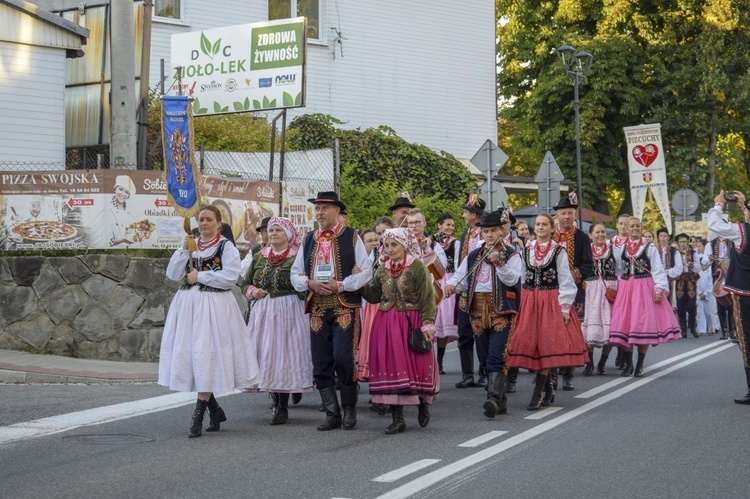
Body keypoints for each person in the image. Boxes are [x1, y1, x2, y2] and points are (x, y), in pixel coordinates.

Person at [159, 205, 260, 438]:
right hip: (187, 307)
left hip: (214, 307)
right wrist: (184, 251)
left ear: (218, 222)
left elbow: (230, 278)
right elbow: (173, 274)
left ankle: (198, 416)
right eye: (201, 219)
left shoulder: (226, 247)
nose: (203, 223)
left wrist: (200, 276)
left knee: (206, 356)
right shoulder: (190, 244)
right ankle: (215, 410)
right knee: (195, 357)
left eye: (208, 219)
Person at [290, 191, 372, 431]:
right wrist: (309, 284)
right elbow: (295, 273)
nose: (320, 213)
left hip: (344, 305)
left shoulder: (352, 236)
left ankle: (349, 408)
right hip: (317, 307)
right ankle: (332, 412)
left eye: (324, 208)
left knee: (343, 358)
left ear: (337, 211)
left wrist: (342, 285)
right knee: (321, 361)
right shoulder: (307, 239)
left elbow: (366, 272)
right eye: (317, 208)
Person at [445, 209, 523, 418]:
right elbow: (461, 276)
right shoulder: (474, 255)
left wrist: (499, 263)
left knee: (497, 355)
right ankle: (501, 401)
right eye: (485, 231)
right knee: (485, 356)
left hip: (501, 309)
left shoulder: (512, 254)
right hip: (477, 309)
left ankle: (493, 398)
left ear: (501, 231)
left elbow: (513, 280)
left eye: (493, 231)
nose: (489, 235)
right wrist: (452, 285)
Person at [506, 213, 589, 410]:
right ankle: (549, 387)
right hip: (529, 300)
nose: (541, 227)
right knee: (528, 343)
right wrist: (501, 265)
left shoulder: (558, 251)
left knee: (547, 344)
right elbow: (517, 276)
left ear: (552, 228)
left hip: (550, 300)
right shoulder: (527, 249)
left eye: (545, 224)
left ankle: (537, 394)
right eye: (538, 224)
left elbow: (566, 280)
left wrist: (565, 307)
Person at [361, 228, 438, 433]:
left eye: (394, 244)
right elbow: (375, 297)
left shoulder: (417, 267)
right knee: (391, 366)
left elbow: (426, 297)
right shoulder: (382, 269)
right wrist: (360, 284)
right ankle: (398, 418)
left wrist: (428, 323)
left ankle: (423, 405)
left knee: (417, 365)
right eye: (386, 245)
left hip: (410, 321)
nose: (390, 249)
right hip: (385, 323)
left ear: (404, 245)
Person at [241, 217, 312, 425]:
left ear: (288, 235)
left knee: (285, 354)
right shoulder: (259, 257)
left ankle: (282, 405)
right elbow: (245, 283)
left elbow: (305, 282)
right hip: (264, 311)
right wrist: (253, 291)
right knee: (268, 355)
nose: (272, 234)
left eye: (278, 231)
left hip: (289, 310)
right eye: (270, 231)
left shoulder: (298, 257)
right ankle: (276, 397)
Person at [610, 217, 681, 377]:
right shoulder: (621, 247)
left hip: (644, 287)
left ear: (641, 228)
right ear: (626, 229)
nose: (635, 228)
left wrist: (660, 288)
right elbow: (619, 269)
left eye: (637, 226)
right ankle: (629, 364)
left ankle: (640, 364)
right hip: (627, 287)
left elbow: (657, 269)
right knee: (627, 325)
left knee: (642, 325)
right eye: (631, 226)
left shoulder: (649, 247)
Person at [707, 190, 750, 404]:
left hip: (745, 294)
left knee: (747, 340)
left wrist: (719, 204)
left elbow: (714, 224)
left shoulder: (742, 231)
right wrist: (744, 207)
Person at [550, 194, 594, 391]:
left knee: (569, 332)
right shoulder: (550, 236)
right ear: (557, 216)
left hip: (574, 291)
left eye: (570, 213)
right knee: (549, 332)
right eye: (563, 213)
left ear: (575, 215)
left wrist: (570, 277)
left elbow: (588, 266)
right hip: (549, 291)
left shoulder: (582, 237)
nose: (566, 216)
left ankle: (568, 375)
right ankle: (549, 373)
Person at [454, 193, 487, 389]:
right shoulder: (465, 234)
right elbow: (461, 263)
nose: (464, 216)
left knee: (482, 331)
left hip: (482, 289)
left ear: (474, 214)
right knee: (464, 331)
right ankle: (467, 374)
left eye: (466, 212)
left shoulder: (487, 233)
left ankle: (484, 371)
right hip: (466, 289)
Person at [582, 223, 618, 375]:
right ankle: (589, 362)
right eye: (597, 232)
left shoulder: (613, 249)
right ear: (590, 235)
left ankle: (603, 361)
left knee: (608, 327)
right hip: (590, 291)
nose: (600, 235)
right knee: (589, 325)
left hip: (609, 290)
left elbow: (620, 269)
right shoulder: (585, 250)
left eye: (602, 232)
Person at [433, 214, 459, 374]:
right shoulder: (432, 242)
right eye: (447, 225)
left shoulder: (455, 244)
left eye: (452, 225)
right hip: (434, 280)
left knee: (443, 323)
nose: (450, 228)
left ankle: (439, 360)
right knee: (432, 319)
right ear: (439, 226)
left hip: (447, 280)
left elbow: (456, 265)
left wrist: (452, 284)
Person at [357, 229, 381, 383]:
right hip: (359, 304)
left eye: (376, 240)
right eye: (369, 241)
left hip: (372, 304)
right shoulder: (356, 259)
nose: (374, 243)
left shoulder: (380, 259)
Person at [706, 234, 736, 340]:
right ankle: (725, 331)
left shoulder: (732, 241)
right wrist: (710, 259)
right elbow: (706, 261)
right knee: (720, 305)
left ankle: (733, 330)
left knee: (732, 305)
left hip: (731, 276)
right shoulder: (712, 243)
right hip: (718, 276)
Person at [675, 233, 701, 338]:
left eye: (684, 242)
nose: (683, 244)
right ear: (678, 243)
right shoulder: (675, 253)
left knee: (691, 306)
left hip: (690, 281)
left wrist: (692, 266)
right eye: (681, 242)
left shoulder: (693, 253)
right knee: (680, 306)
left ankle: (693, 327)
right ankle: (683, 329)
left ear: (688, 242)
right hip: (680, 281)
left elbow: (698, 268)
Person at [695, 238, 717, 336]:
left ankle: (711, 328)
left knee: (709, 312)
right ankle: (701, 329)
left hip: (708, 295)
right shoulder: (699, 273)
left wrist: (705, 293)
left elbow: (710, 285)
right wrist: (699, 293)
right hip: (700, 295)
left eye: (704, 264)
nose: (703, 266)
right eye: (702, 264)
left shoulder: (709, 273)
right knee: (700, 313)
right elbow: (697, 284)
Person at [109, 175, 136, 246]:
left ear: (129, 196)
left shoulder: (131, 212)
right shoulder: (106, 208)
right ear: (115, 189)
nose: (123, 194)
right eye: (120, 189)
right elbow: (105, 240)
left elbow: (133, 234)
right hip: (111, 251)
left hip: (129, 250)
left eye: (127, 192)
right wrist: (122, 240)